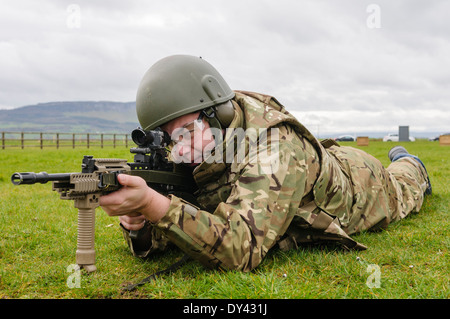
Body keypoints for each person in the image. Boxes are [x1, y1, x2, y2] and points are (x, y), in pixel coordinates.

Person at [99, 55, 432, 272]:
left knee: (405, 185)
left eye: (187, 131)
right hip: (315, 173)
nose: (181, 149)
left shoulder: (277, 148)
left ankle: (408, 160)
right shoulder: (205, 145)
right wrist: (138, 223)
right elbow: (184, 226)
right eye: (172, 138)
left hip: (364, 185)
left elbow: (240, 250)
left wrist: (154, 204)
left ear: (220, 114)